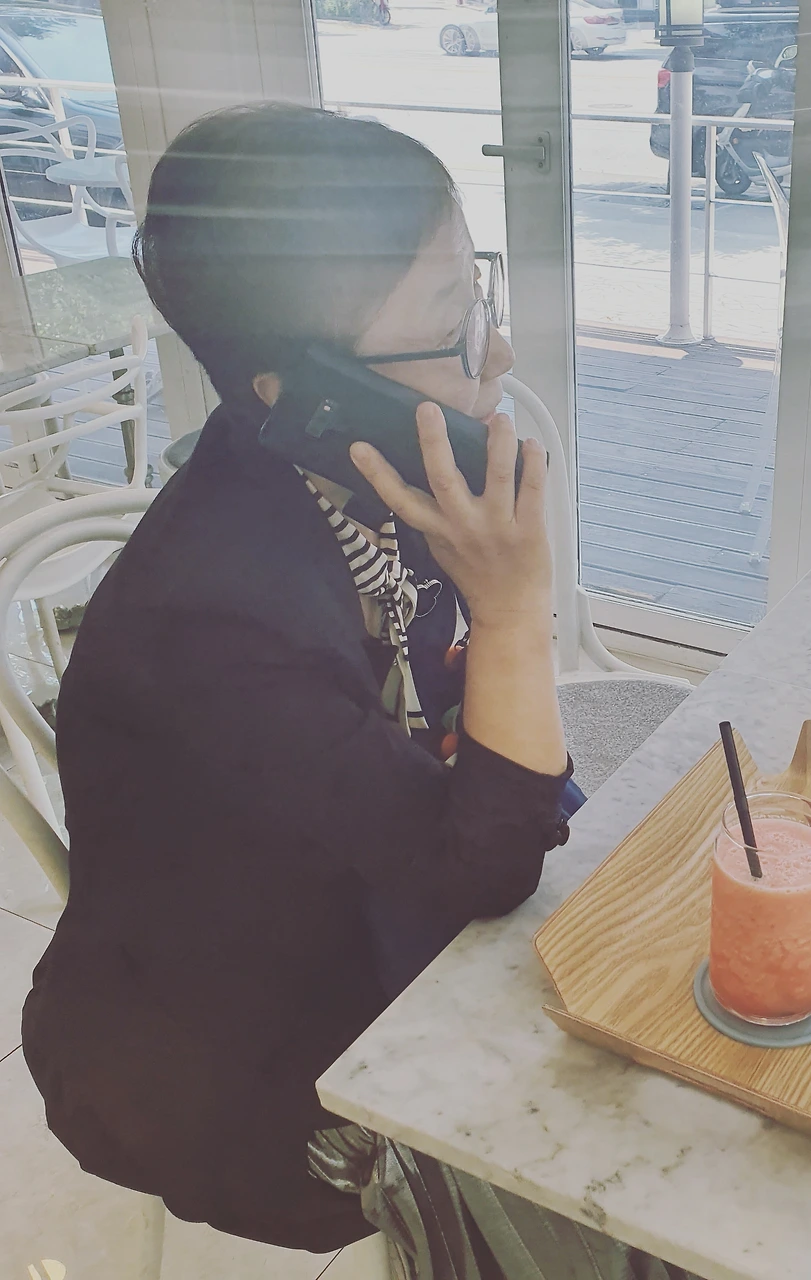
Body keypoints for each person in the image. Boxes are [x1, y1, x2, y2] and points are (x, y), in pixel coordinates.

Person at [21, 103, 697, 1280]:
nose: (496, 353)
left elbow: (451, 767)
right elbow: (486, 866)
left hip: (364, 920)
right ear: (309, 389)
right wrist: (513, 609)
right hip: (234, 1063)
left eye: (476, 297)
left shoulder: (345, 475)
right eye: (452, 325)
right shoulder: (214, 619)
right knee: (649, 1180)